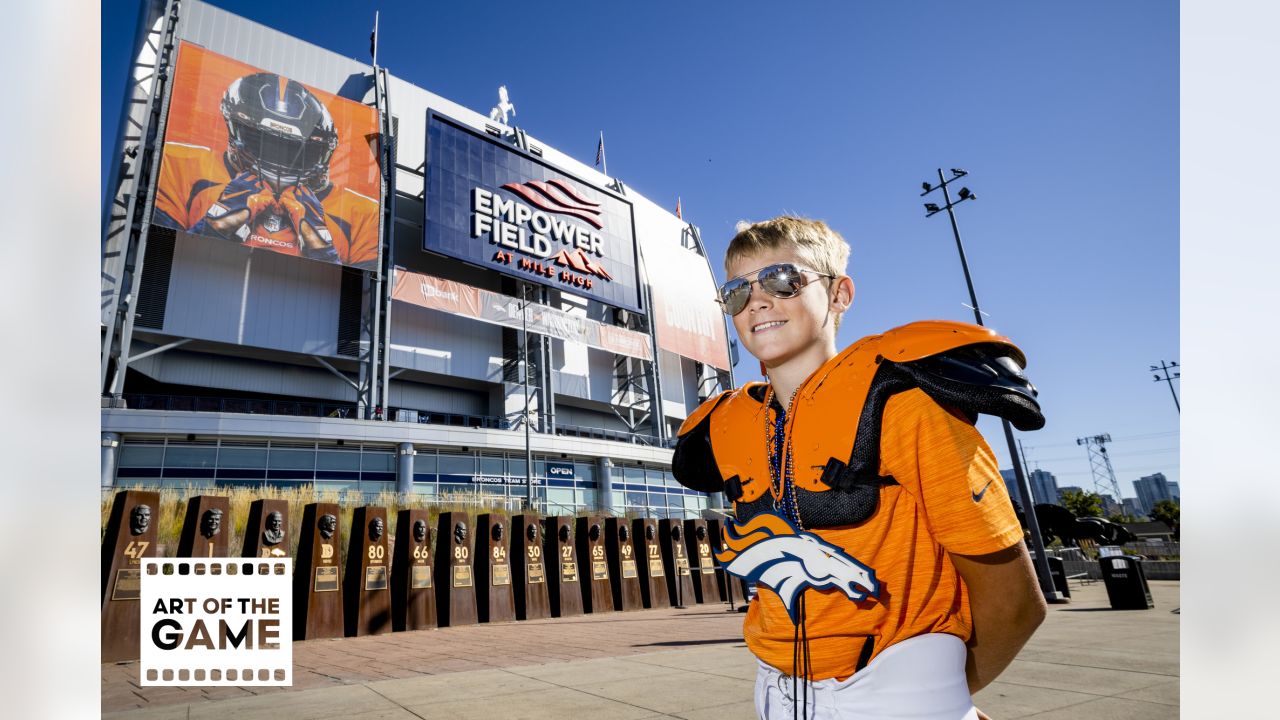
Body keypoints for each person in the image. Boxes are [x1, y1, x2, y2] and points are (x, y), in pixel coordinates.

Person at [672, 217, 1047, 720]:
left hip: (894, 692)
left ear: (840, 294)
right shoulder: (730, 427)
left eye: (783, 279)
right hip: (775, 694)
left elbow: (1014, 603)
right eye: (737, 291)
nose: (756, 301)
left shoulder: (904, 405)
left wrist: (933, 697)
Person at [153, 71, 379, 269]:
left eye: (297, 151)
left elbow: (364, 296)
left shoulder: (364, 214)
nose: (282, 162)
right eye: (261, 141)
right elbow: (154, 256)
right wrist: (213, 227)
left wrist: (323, 251)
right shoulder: (181, 166)